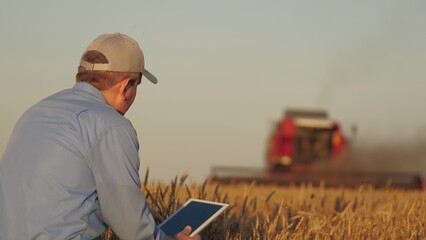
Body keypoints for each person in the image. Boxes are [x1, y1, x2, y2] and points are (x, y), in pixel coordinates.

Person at [0, 33, 201, 240]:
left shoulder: (35, 112)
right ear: (125, 87)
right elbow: (135, 232)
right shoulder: (112, 126)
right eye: (137, 86)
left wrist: (138, 211)